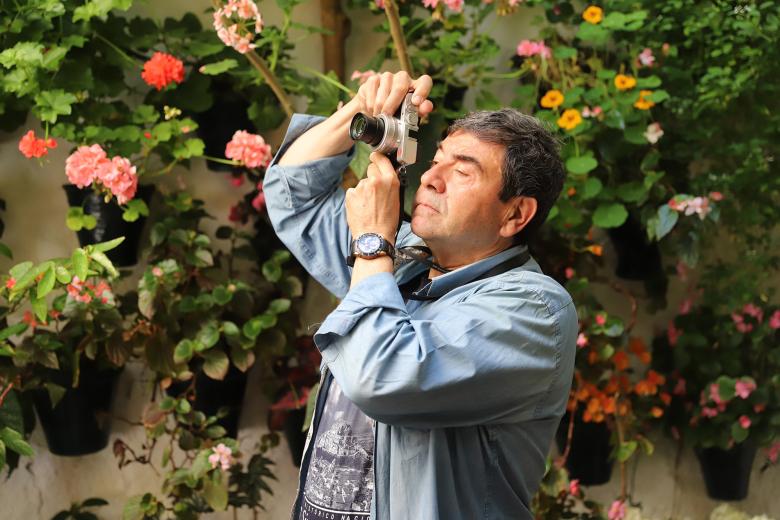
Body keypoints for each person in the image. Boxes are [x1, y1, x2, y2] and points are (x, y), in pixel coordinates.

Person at [264, 70, 577, 520]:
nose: (432, 178)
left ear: (514, 214)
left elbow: (383, 377)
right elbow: (292, 193)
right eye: (436, 160)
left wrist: (371, 241)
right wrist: (359, 111)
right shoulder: (406, 260)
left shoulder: (533, 311)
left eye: (463, 171)